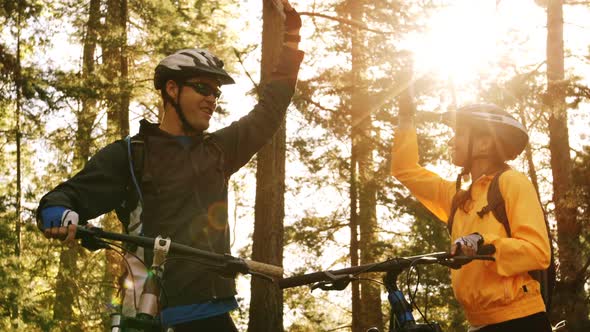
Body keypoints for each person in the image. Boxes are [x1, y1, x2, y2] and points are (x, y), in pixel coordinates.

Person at [36, 1, 303, 330]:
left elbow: (271, 108)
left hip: (212, 314)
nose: (212, 99)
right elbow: (64, 197)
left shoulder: (218, 150)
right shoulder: (131, 155)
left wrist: (291, 41)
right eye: (203, 88)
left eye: (216, 92)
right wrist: (59, 214)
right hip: (150, 314)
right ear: (172, 90)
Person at [390, 104, 552, 331]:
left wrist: (482, 242)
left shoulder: (511, 182)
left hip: (520, 320)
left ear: (484, 143)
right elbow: (405, 170)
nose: (451, 141)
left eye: (459, 133)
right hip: (477, 323)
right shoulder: (458, 198)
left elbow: (538, 252)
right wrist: (406, 118)